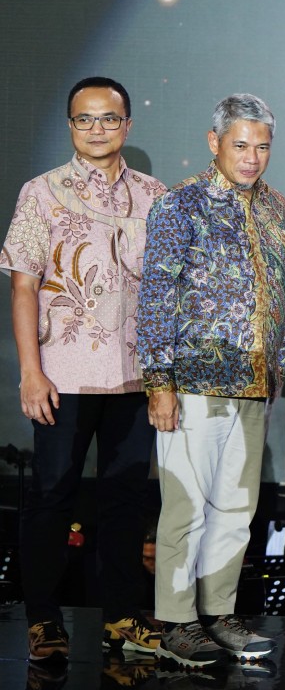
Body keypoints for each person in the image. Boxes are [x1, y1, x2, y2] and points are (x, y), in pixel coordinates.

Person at [0, 77, 166, 661]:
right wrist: (30, 371)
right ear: (71, 125)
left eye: (109, 118)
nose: (97, 128)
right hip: (62, 375)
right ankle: (43, 621)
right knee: (52, 497)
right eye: (84, 119)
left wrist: (163, 379)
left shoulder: (154, 195)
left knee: (124, 500)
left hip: (134, 377)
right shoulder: (41, 192)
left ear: (127, 123)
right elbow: (23, 288)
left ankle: (122, 617)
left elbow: (165, 295)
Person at [137, 94, 285, 667]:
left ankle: (219, 612)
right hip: (194, 383)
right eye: (240, 145)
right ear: (214, 142)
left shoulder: (277, 208)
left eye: (262, 146)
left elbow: (284, 294)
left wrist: (281, 364)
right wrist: (159, 378)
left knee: (235, 509)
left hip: (255, 385)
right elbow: (155, 294)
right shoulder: (181, 205)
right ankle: (177, 621)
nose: (252, 158)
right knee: (186, 507)